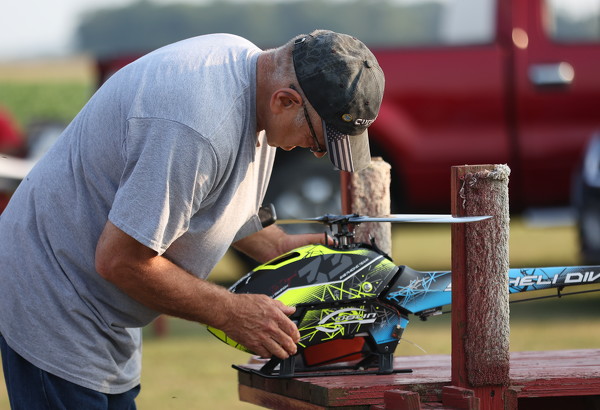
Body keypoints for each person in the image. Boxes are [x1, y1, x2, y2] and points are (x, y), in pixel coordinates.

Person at [0, 29, 384, 408]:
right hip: (55, 291)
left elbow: (209, 198)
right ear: (285, 101)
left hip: (99, 303)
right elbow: (121, 260)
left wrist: (280, 247)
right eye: (318, 140)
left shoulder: (254, 79)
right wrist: (232, 312)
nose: (315, 152)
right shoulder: (195, 129)